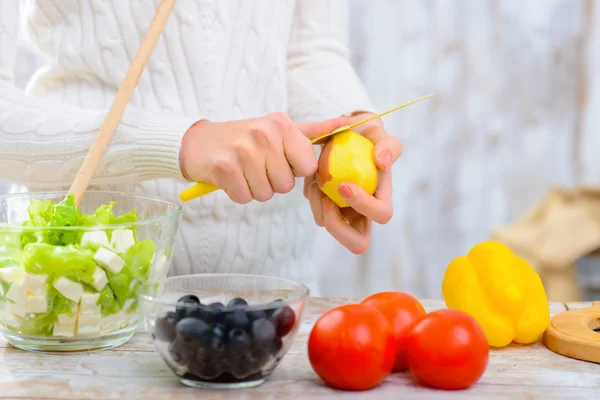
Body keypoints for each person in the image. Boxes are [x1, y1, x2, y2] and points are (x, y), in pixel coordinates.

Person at [0, 1, 402, 294]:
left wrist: (343, 132)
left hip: (272, 287)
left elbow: (309, 50)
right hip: (84, 292)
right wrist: (181, 143)